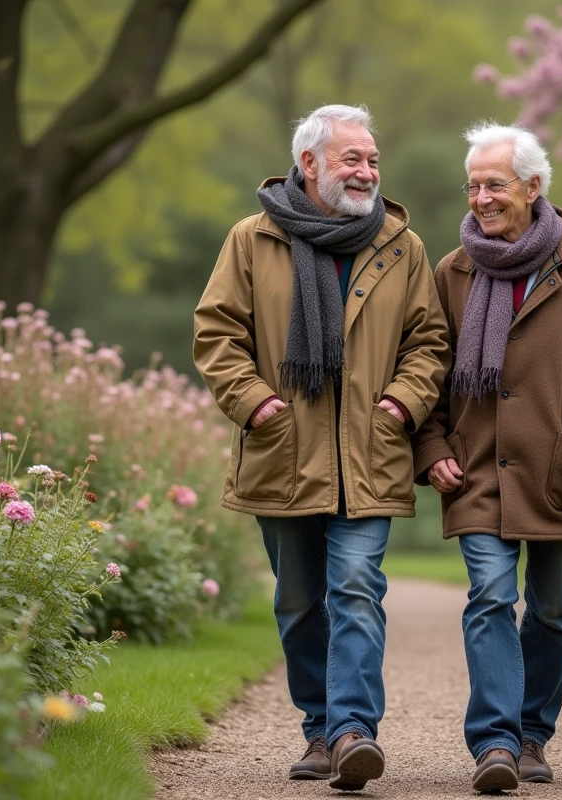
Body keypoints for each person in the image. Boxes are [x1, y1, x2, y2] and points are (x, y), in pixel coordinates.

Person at [193, 104, 448, 791]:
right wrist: (256, 402)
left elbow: (430, 341)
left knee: (358, 588)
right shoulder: (251, 240)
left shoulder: (401, 244)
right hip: (281, 450)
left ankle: (352, 733)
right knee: (301, 601)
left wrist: (404, 399)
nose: (367, 171)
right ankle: (318, 728)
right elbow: (217, 336)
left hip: (371, 451)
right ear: (309, 164)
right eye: (351, 160)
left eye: (372, 159)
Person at [412, 122, 562, 793]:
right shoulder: (451, 272)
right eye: (473, 186)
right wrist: (431, 448)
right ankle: (495, 742)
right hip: (476, 469)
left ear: (533, 186)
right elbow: (426, 370)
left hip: (559, 471)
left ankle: (534, 735)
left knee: (551, 608)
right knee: (489, 596)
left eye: (494, 184)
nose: (480, 198)